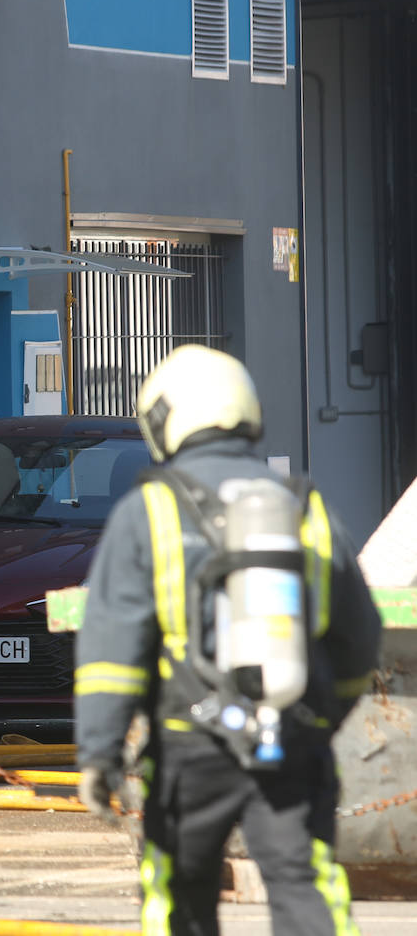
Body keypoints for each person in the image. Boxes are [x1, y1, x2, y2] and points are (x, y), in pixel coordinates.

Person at [74, 345, 380, 935]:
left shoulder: (149, 512)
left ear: (164, 422)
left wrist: (99, 752)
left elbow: (113, 650)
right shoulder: (304, 506)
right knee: (306, 883)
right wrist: (319, 717)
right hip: (290, 739)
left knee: (177, 892)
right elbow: (358, 637)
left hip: (190, 747)